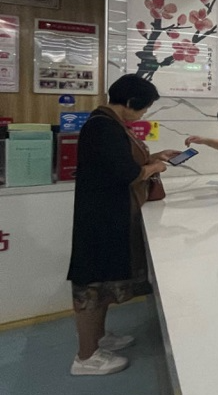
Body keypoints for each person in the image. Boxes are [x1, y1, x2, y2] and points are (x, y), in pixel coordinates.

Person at [67, 74, 180, 376]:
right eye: (143, 108)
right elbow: (126, 173)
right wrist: (154, 167)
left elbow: (121, 162)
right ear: (130, 102)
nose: (144, 114)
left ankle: (99, 338)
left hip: (110, 214)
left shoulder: (110, 124)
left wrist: (154, 157)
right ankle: (86, 357)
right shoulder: (103, 127)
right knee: (92, 285)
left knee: (104, 283)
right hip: (101, 218)